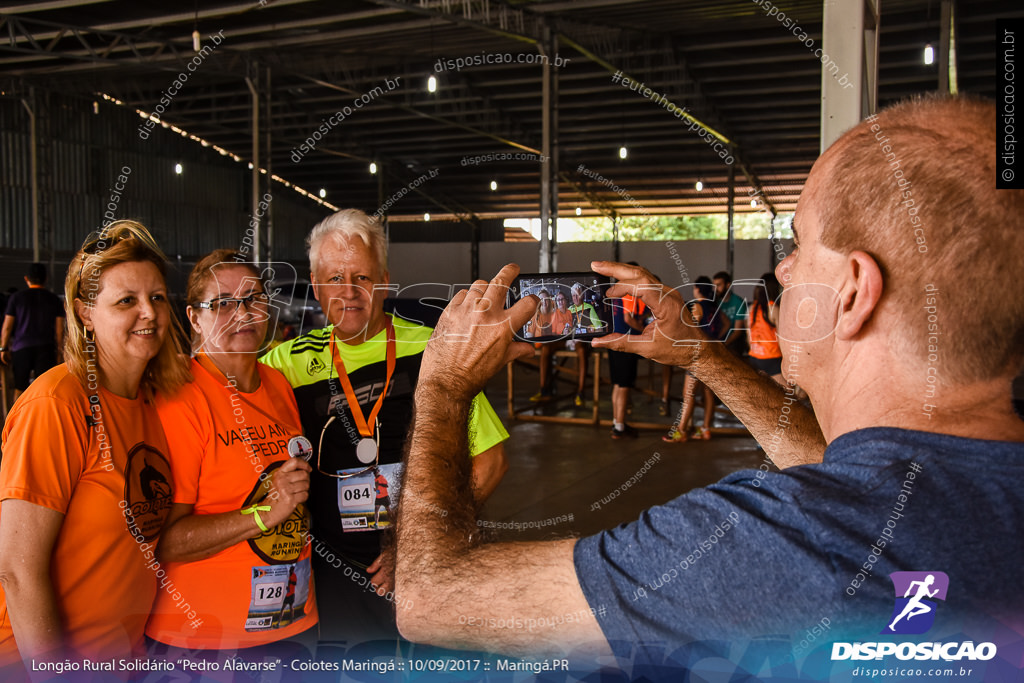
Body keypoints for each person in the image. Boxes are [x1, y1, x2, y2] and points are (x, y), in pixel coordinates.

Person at [389, 97, 1024, 679]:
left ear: (853, 293)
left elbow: (431, 598)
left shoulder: (779, 544)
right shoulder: (946, 496)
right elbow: (849, 477)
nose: (782, 268)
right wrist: (700, 354)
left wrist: (443, 386)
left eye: (799, 243)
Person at [260, 209, 509, 644]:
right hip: (332, 573)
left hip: (425, 562)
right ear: (316, 287)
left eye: (363, 277)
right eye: (335, 278)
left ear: (386, 281)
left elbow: (490, 461)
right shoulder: (286, 363)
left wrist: (415, 545)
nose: (350, 292)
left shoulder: (434, 349)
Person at [0, 221, 191, 674]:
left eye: (157, 297)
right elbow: (17, 572)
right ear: (85, 313)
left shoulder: (152, 400)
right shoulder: (56, 404)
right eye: (126, 301)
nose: (149, 313)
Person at [145, 249, 317, 656]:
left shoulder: (277, 385)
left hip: (293, 623)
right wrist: (262, 513)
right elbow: (164, 541)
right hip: (208, 641)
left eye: (253, 298)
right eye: (222, 303)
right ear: (193, 318)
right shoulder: (180, 400)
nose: (242, 313)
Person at [663, 276, 728, 442]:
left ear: (698, 289)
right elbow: (727, 324)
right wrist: (716, 340)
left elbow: (692, 329)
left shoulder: (697, 306)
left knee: (689, 394)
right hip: (712, 353)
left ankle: (681, 430)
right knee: (707, 392)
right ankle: (705, 429)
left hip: (698, 355)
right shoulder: (715, 307)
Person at [0, 263, 65, 403]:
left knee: (19, 388)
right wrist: (59, 351)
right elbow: (59, 330)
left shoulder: (16, 298)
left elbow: (7, 326)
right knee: (45, 389)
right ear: (46, 279)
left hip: (21, 349)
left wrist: (3, 348)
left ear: (26, 279)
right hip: (46, 349)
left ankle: (16, 423)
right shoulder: (54, 299)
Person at [608, 263, 646, 439]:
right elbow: (628, 318)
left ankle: (617, 422)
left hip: (614, 340)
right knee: (624, 386)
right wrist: (644, 331)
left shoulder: (615, 290)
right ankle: (620, 428)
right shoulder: (629, 290)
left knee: (617, 385)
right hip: (627, 341)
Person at [530, 290, 587, 404]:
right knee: (545, 348)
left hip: (574, 339)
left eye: (562, 299)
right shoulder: (553, 313)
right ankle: (543, 389)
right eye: (558, 300)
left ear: (566, 300)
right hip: (560, 340)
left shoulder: (572, 310)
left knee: (582, 350)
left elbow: (580, 326)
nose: (560, 302)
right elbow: (552, 332)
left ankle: (580, 392)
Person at [747, 271, 784, 385]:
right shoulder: (773, 308)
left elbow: (749, 337)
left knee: (764, 395)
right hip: (772, 358)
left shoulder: (752, 307)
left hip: (755, 357)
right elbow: (782, 337)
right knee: (786, 396)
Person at [712, 270, 748, 355]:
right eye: (714, 286)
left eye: (719, 285)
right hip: (718, 339)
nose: (715, 289)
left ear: (728, 285)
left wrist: (724, 344)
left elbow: (737, 331)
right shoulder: (715, 302)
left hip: (733, 342)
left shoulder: (738, 302)